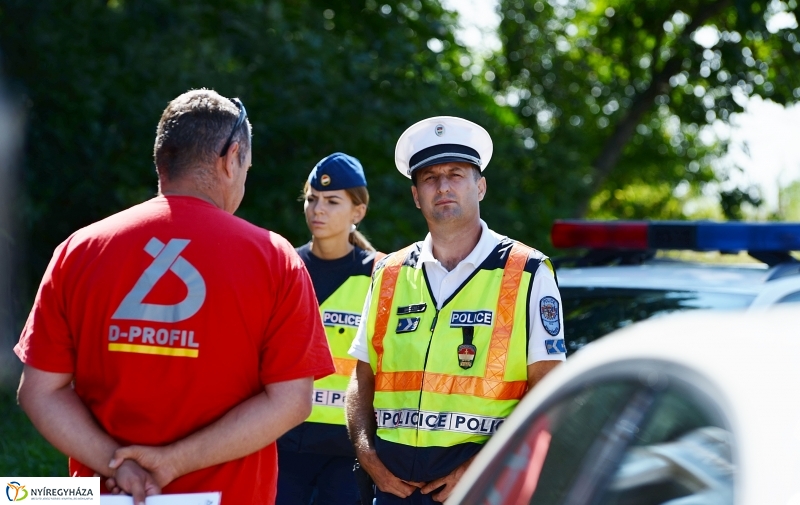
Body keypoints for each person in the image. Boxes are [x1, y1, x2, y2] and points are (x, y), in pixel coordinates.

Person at [14, 89, 334, 505]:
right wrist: (173, 462)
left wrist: (117, 463)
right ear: (230, 157)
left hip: (99, 494)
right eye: (246, 167)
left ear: (161, 159)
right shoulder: (274, 259)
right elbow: (291, 402)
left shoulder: (81, 249)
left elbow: (39, 391)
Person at [344, 116, 567, 504]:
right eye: (429, 177)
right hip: (391, 488)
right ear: (416, 195)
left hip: (483, 485)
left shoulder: (528, 271)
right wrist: (367, 456)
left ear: (480, 186)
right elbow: (361, 378)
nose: (443, 185)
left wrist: (482, 468)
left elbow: (550, 394)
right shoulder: (390, 272)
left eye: (456, 174)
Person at [277, 152, 383, 505]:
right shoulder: (284, 267)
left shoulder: (382, 274)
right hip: (284, 442)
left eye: (332, 201)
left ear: (358, 212)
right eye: (312, 199)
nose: (317, 209)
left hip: (347, 449)